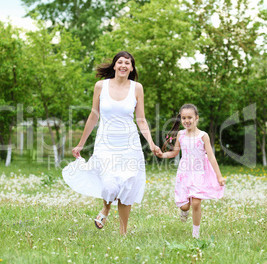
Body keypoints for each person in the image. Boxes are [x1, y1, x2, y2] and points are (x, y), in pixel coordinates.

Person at [62, 51, 159, 235]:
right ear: (114, 65)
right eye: (120, 62)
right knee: (109, 184)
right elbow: (93, 115)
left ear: (131, 68)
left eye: (128, 63)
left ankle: (123, 232)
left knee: (128, 184)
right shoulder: (101, 86)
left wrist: (152, 143)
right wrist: (81, 144)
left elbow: (141, 119)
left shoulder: (137, 88)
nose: (123, 65)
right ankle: (106, 208)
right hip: (105, 143)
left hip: (129, 144)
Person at [156, 104, 225, 239]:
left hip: (199, 173)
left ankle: (195, 234)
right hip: (184, 173)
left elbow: (211, 157)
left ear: (196, 118)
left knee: (196, 202)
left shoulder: (203, 136)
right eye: (183, 118)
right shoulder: (181, 134)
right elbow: (175, 152)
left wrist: (219, 176)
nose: (186, 121)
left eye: (190, 117)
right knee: (185, 206)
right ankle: (184, 212)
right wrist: (162, 155)